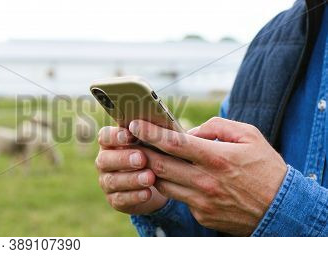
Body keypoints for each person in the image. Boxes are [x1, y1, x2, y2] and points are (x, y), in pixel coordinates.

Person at [94, 0, 328, 236]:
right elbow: (225, 225)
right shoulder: (268, 40)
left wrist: (285, 210)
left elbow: (263, 207)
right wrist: (169, 199)